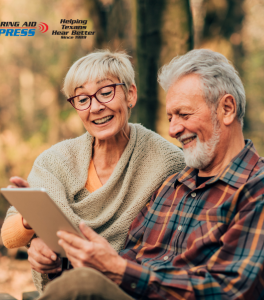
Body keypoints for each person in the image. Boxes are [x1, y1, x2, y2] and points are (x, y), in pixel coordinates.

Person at [37, 49, 264, 300]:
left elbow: (230, 290)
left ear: (227, 109)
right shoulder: (174, 184)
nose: (174, 129)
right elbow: (128, 255)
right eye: (170, 117)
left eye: (184, 114)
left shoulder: (255, 189)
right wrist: (57, 259)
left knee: (78, 286)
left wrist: (120, 270)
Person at [1, 50, 185, 293]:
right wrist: (34, 228)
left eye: (106, 93)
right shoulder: (56, 160)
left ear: (130, 94)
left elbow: (169, 247)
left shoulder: (167, 161)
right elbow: (9, 235)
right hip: (66, 288)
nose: (95, 107)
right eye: (82, 99)